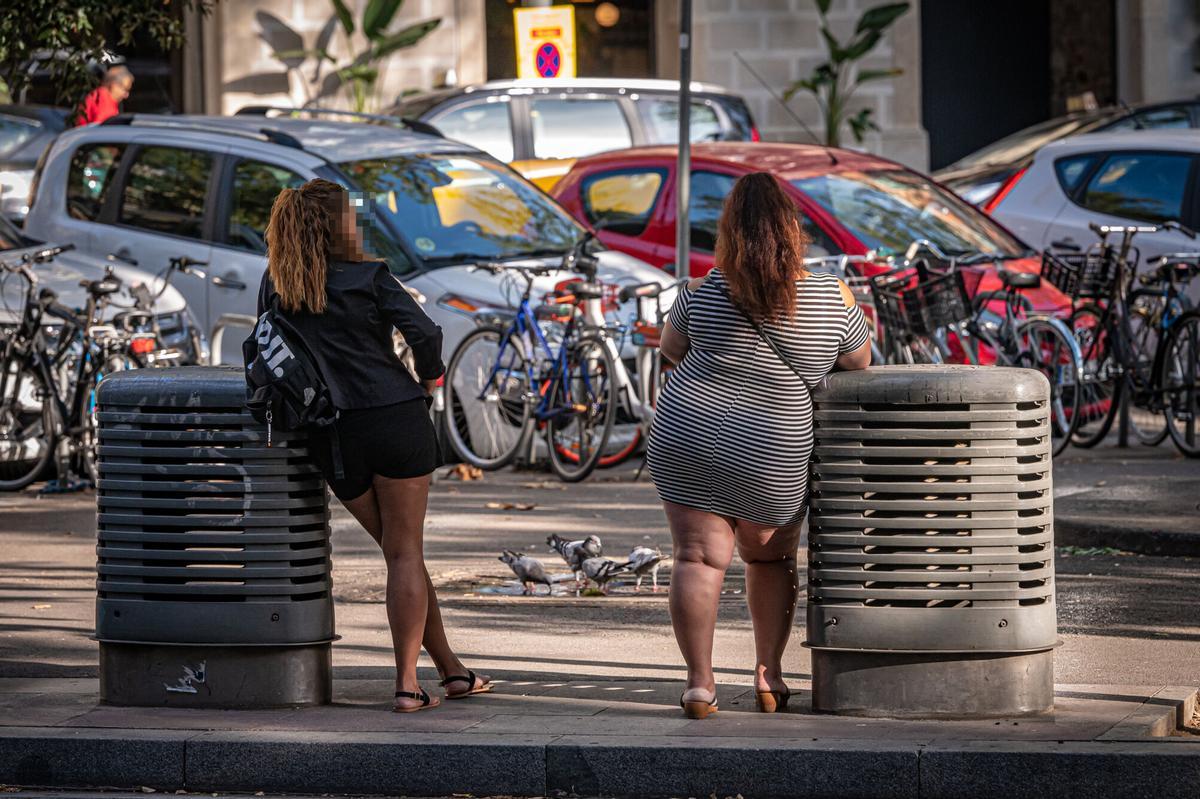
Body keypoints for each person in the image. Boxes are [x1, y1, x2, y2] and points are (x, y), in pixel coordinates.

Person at [258, 178, 491, 712]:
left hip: (332, 434)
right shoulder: (370, 276)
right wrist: (428, 378)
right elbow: (426, 334)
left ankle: (453, 671)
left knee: (398, 553)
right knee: (406, 555)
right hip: (394, 419)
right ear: (340, 225)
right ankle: (407, 684)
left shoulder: (279, 283)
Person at [646, 172, 872, 719]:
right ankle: (768, 676)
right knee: (770, 560)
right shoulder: (830, 295)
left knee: (697, 559)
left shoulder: (701, 290)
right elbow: (859, 361)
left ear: (729, 230)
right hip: (775, 443)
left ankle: (700, 686)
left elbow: (671, 350)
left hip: (689, 433)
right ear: (792, 230)